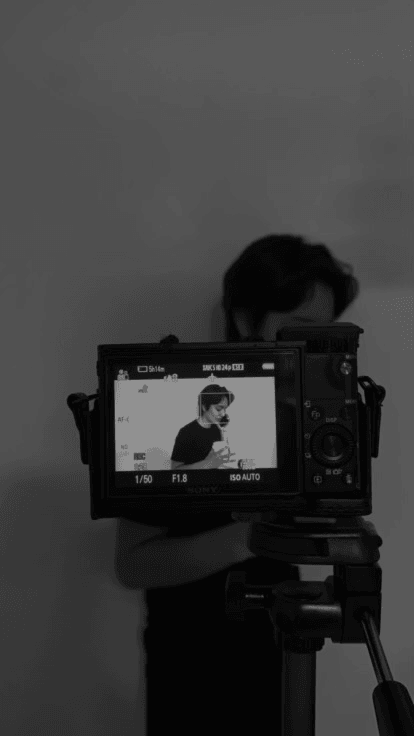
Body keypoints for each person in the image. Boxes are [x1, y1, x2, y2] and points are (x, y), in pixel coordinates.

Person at [115, 233, 360, 735]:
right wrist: (250, 536)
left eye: (326, 333)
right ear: (247, 319)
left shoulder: (317, 408)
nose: (314, 347)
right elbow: (133, 563)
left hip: (282, 650)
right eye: (301, 329)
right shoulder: (173, 397)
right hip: (191, 665)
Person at [170, 385, 236, 470]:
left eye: (225, 409)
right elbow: (175, 469)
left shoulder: (216, 429)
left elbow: (216, 462)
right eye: (219, 409)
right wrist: (207, 464)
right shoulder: (186, 433)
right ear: (204, 407)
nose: (223, 414)